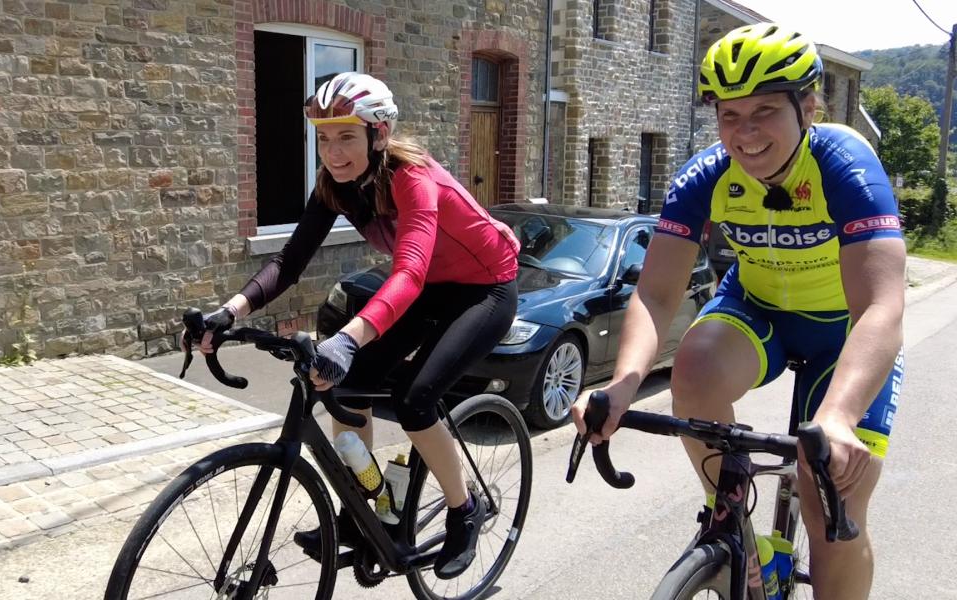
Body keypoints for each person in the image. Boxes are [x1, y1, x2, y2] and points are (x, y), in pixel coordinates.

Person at [572, 24, 905, 599]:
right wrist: (622, 385)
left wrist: (840, 416)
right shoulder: (704, 176)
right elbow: (655, 295)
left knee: (832, 508)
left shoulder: (844, 164)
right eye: (729, 115)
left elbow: (881, 304)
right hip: (760, 313)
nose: (744, 134)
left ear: (809, 106)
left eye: (764, 112)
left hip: (845, 333)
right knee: (693, 370)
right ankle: (743, 537)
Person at [185, 72, 520, 579]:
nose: (333, 152)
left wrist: (347, 338)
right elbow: (290, 260)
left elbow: (409, 271)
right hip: (428, 287)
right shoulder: (334, 187)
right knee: (349, 387)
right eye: (323, 138)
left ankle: (464, 510)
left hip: (484, 289)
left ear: (378, 134)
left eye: (346, 136)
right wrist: (229, 312)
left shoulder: (412, 178)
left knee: (415, 399)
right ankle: (363, 511)